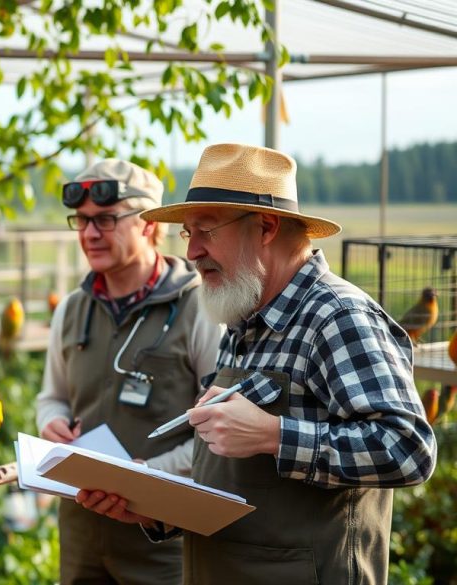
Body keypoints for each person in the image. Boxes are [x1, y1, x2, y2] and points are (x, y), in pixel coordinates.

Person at [75, 143, 436, 584]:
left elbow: (409, 449)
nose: (192, 253)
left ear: (265, 227)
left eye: (205, 231)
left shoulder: (336, 316)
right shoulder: (243, 317)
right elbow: (234, 479)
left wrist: (273, 434)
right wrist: (150, 506)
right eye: (188, 234)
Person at [36, 158, 222, 584]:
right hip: (82, 534)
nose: (89, 234)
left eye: (105, 220)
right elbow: (52, 396)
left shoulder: (200, 309)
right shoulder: (71, 310)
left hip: (163, 540)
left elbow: (219, 433)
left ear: (149, 226)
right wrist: (51, 422)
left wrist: (149, 476)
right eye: (81, 221)